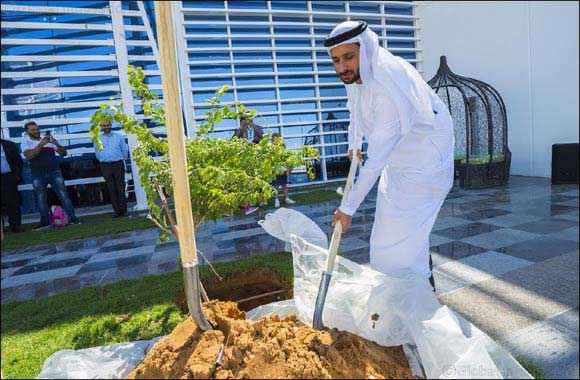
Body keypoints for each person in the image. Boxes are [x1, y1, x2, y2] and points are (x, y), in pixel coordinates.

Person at [327, 21, 454, 291]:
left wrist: (347, 208)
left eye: (348, 57)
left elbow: (376, 161)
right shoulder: (359, 74)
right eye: (336, 60)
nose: (341, 67)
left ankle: (419, 298)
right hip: (400, 160)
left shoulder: (387, 86)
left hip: (425, 163)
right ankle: (417, 287)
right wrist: (354, 143)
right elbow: (355, 109)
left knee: (397, 244)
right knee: (395, 235)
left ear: (366, 50)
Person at [21, 121, 80, 230]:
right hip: (37, 174)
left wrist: (56, 144)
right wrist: (41, 144)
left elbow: (64, 153)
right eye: (33, 130)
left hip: (54, 172)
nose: (36, 131)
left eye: (37, 129)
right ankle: (44, 222)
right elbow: (29, 156)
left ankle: (72, 218)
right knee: (41, 198)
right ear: (27, 131)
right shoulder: (26, 142)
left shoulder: (48, 140)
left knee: (64, 195)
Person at [94, 121, 129, 217]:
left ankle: (124, 211)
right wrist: (102, 159)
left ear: (111, 125)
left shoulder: (119, 137)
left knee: (120, 188)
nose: (106, 127)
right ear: (101, 126)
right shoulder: (98, 139)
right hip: (105, 166)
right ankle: (116, 211)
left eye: (108, 125)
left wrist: (120, 158)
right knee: (111, 188)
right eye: (104, 125)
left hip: (118, 164)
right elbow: (97, 152)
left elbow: (124, 150)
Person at [233, 115, 265, 215]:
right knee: (246, 181)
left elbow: (262, 137)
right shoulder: (240, 130)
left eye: (250, 119)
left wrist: (253, 126)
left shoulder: (258, 128)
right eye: (246, 119)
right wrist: (241, 127)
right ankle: (246, 206)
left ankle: (261, 200)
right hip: (245, 159)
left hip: (256, 157)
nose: (249, 121)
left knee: (258, 179)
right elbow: (234, 140)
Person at [1, 138, 24, 233]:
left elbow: (18, 161)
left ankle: (16, 227)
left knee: (12, 202)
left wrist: (16, 176)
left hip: (9, 177)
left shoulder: (9, 144)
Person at [271, 133, 296, 208]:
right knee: (276, 186)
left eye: (277, 139)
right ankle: (276, 200)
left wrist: (288, 170)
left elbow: (287, 160)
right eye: (274, 139)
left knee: (284, 185)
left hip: (283, 169)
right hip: (276, 170)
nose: (276, 141)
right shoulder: (271, 149)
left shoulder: (283, 149)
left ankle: (287, 198)